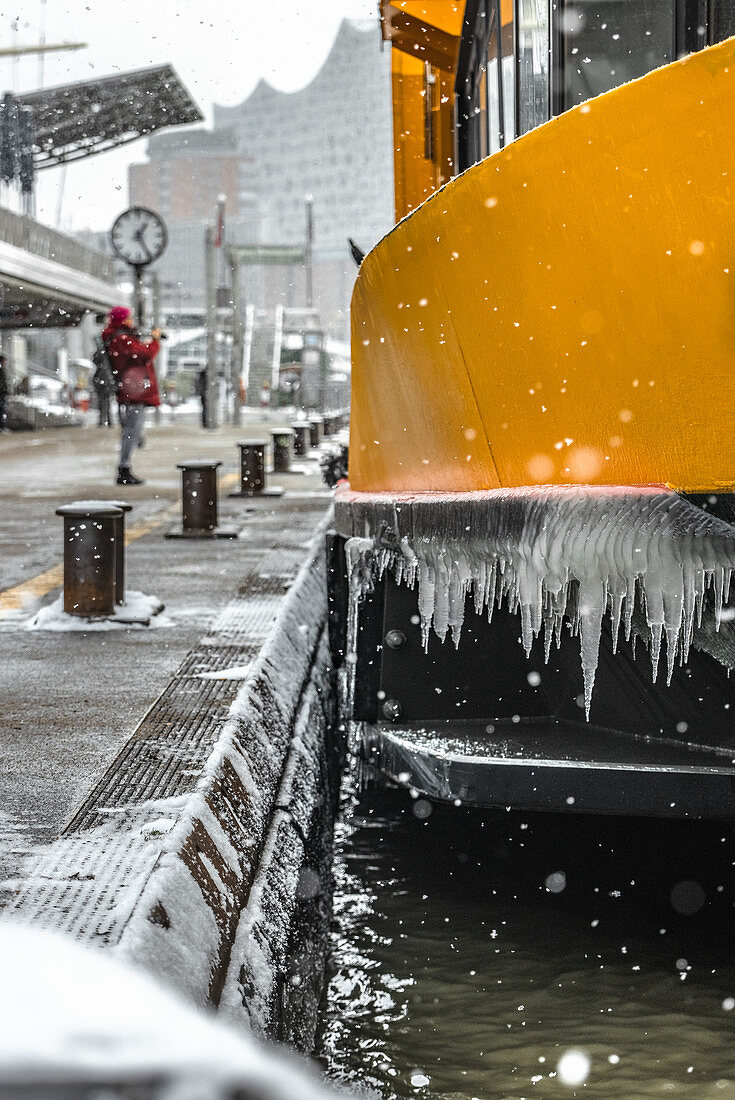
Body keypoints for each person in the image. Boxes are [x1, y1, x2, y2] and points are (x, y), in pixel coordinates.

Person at [102, 306, 161, 486]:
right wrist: (155, 341)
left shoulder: (121, 337)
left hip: (133, 390)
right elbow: (144, 354)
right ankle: (124, 468)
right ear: (123, 320)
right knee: (131, 431)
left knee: (133, 430)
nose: (132, 321)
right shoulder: (121, 339)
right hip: (133, 392)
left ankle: (125, 465)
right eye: (129, 318)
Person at [91, 336, 116, 427]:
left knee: (102, 402)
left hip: (102, 379)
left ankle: (103, 421)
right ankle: (108, 421)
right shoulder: (108, 352)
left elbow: (95, 360)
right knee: (106, 401)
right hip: (107, 379)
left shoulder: (101, 352)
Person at [0, 354, 8, 432]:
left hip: (2, 393)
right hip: (1, 393)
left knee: (2, 410)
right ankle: (1, 427)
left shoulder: (2, 370)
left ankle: (2, 426)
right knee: (1, 410)